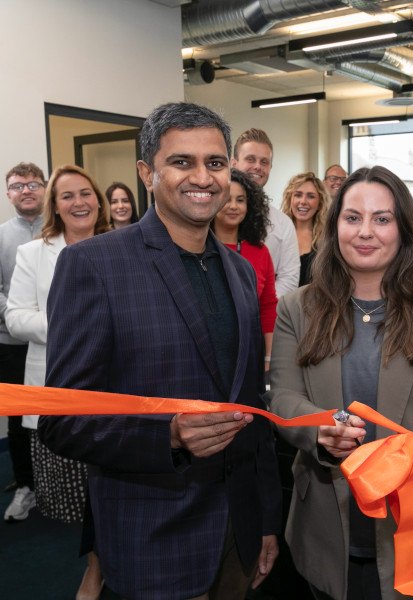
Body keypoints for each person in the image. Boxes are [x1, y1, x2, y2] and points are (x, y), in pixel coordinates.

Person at [38, 102, 282, 599]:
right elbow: (61, 420)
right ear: (147, 173)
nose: (203, 177)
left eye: (215, 163)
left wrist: (265, 522)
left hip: (237, 533)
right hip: (154, 538)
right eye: (181, 162)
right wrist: (167, 434)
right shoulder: (94, 266)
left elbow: (253, 409)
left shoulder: (239, 272)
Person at [270, 165, 413, 600]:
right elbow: (283, 398)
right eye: (352, 217)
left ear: (403, 228)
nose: (365, 231)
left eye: (382, 218)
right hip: (326, 529)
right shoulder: (298, 308)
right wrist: (318, 428)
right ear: (334, 227)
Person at [6, 164, 111, 600]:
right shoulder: (33, 253)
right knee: (74, 501)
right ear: (55, 205)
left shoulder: (118, 246)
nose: (79, 202)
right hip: (58, 385)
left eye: (86, 193)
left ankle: (105, 568)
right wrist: (73, 326)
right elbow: (15, 318)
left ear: (99, 199)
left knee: (116, 488)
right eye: (67, 196)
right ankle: (97, 566)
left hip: (114, 386)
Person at [1, 162, 45, 521]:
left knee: (62, 410)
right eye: (18, 186)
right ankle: (25, 485)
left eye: (33, 184)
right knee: (19, 420)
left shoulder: (59, 228)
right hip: (12, 343)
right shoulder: (2, 236)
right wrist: (16, 315)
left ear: (44, 188)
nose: (26, 190)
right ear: (8, 194)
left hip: (56, 341)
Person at [212, 168, 278, 372]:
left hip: (251, 353)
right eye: (227, 199)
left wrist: (269, 357)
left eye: (240, 200)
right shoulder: (199, 248)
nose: (233, 206)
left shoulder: (260, 251)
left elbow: (268, 307)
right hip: (210, 353)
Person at [231, 128, 301, 297]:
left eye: (264, 162)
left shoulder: (282, 223)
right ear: (233, 163)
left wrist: (260, 306)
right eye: (250, 159)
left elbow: (289, 277)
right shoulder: (213, 215)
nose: (257, 167)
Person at [281, 172, 328, 287]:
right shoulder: (278, 233)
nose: (303, 201)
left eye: (311, 196)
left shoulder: (328, 239)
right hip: (281, 303)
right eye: (298, 195)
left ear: (320, 203)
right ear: (290, 199)